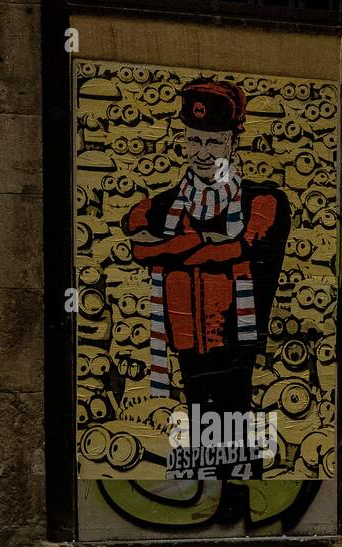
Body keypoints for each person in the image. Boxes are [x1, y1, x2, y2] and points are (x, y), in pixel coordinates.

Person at [123, 78, 290, 478]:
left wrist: (178, 245)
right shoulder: (160, 204)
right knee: (199, 427)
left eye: (213, 143)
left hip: (237, 343)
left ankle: (239, 508)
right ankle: (205, 503)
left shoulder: (263, 200)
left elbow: (237, 248)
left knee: (237, 427)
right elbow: (139, 245)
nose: (202, 153)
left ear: (233, 143)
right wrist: (201, 239)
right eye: (194, 141)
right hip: (186, 342)